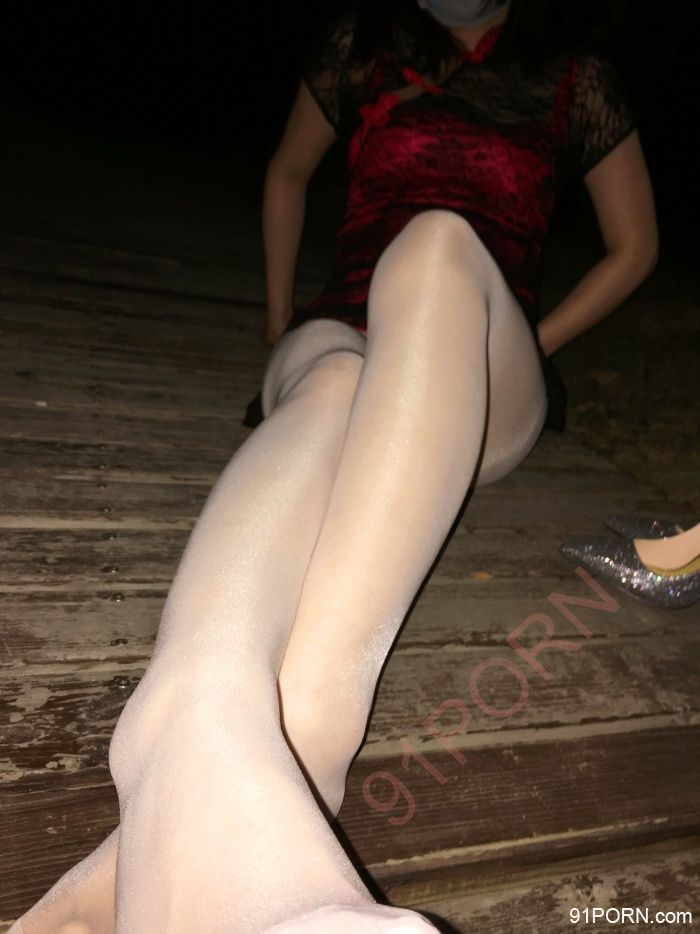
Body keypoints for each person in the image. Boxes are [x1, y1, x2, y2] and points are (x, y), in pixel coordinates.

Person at [10, 1, 659, 932]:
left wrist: (528, 346)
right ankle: (231, 720)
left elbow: (636, 247)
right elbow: (287, 170)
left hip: (479, 357)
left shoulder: (574, 76)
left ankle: (279, 727)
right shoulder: (363, 45)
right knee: (335, 378)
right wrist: (279, 321)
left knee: (438, 243)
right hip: (340, 321)